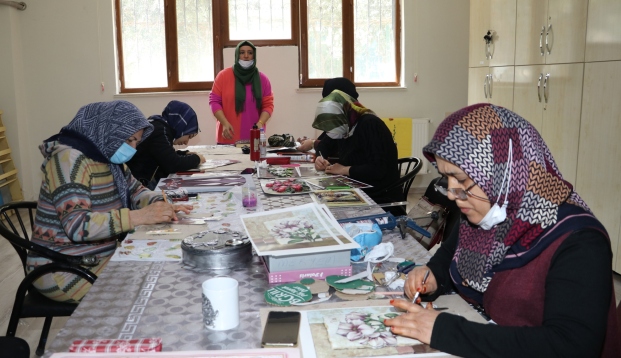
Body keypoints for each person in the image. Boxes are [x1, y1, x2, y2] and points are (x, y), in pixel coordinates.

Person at [384, 103, 620, 357]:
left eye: (462, 180)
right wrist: (431, 275)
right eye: (446, 179)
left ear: (503, 172)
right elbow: (448, 258)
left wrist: (443, 330)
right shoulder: (488, 213)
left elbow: (571, 346)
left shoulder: (579, 241)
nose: (452, 194)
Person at [27, 101, 192, 303]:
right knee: (151, 287)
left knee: (162, 272)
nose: (132, 149)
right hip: (62, 268)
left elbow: (137, 191)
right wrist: (140, 216)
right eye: (129, 140)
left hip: (95, 258)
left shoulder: (108, 159)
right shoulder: (68, 160)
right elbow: (78, 226)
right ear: (108, 130)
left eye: (136, 143)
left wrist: (161, 203)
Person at [311, 79, 401, 206]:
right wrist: (320, 158)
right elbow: (324, 145)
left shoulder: (370, 125)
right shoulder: (344, 125)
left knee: (322, 205)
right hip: (356, 187)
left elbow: (379, 169)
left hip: (379, 195)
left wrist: (344, 170)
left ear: (344, 110)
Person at [127, 100, 206, 190]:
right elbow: (173, 164)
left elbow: (163, 155)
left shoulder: (159, 126)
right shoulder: (160, 131)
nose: (186, 142)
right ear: (181, 125)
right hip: (139, 185)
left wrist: (183, 154)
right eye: (189, 135)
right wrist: (197, 159)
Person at [209, 40, 274, 144]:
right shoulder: (223, 76)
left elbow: (268, 105)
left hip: (254, 138)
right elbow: (214, 102)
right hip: (228, 135)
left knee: (254, 161)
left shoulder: (263, 79)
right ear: (237, 55)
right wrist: (224, 123)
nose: (246, 56)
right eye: (242, 52)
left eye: (250, 52)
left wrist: (260, 123)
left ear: (254, 55)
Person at [296, 77, 359, 152]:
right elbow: (328, 140)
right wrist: (310, 141)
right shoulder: (342, 118)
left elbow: (341, 147)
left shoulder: (362, 123)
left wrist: (313, 143)